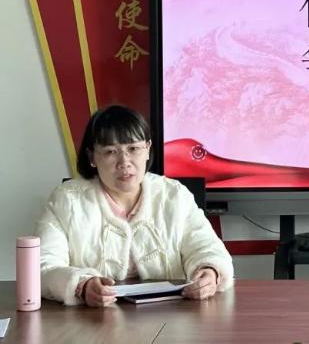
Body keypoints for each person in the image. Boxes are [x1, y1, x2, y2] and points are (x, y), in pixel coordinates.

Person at [36, 105, 234, 306]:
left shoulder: (174, 195)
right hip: (93, 318)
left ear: (147, 149)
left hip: (172, 314)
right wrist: (82, 285)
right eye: (110, 151)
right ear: (92, 157)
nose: (124, 162)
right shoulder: (67, 201)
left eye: (133, 149)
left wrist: (210, 272)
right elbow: (43, 267)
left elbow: (206, 247)